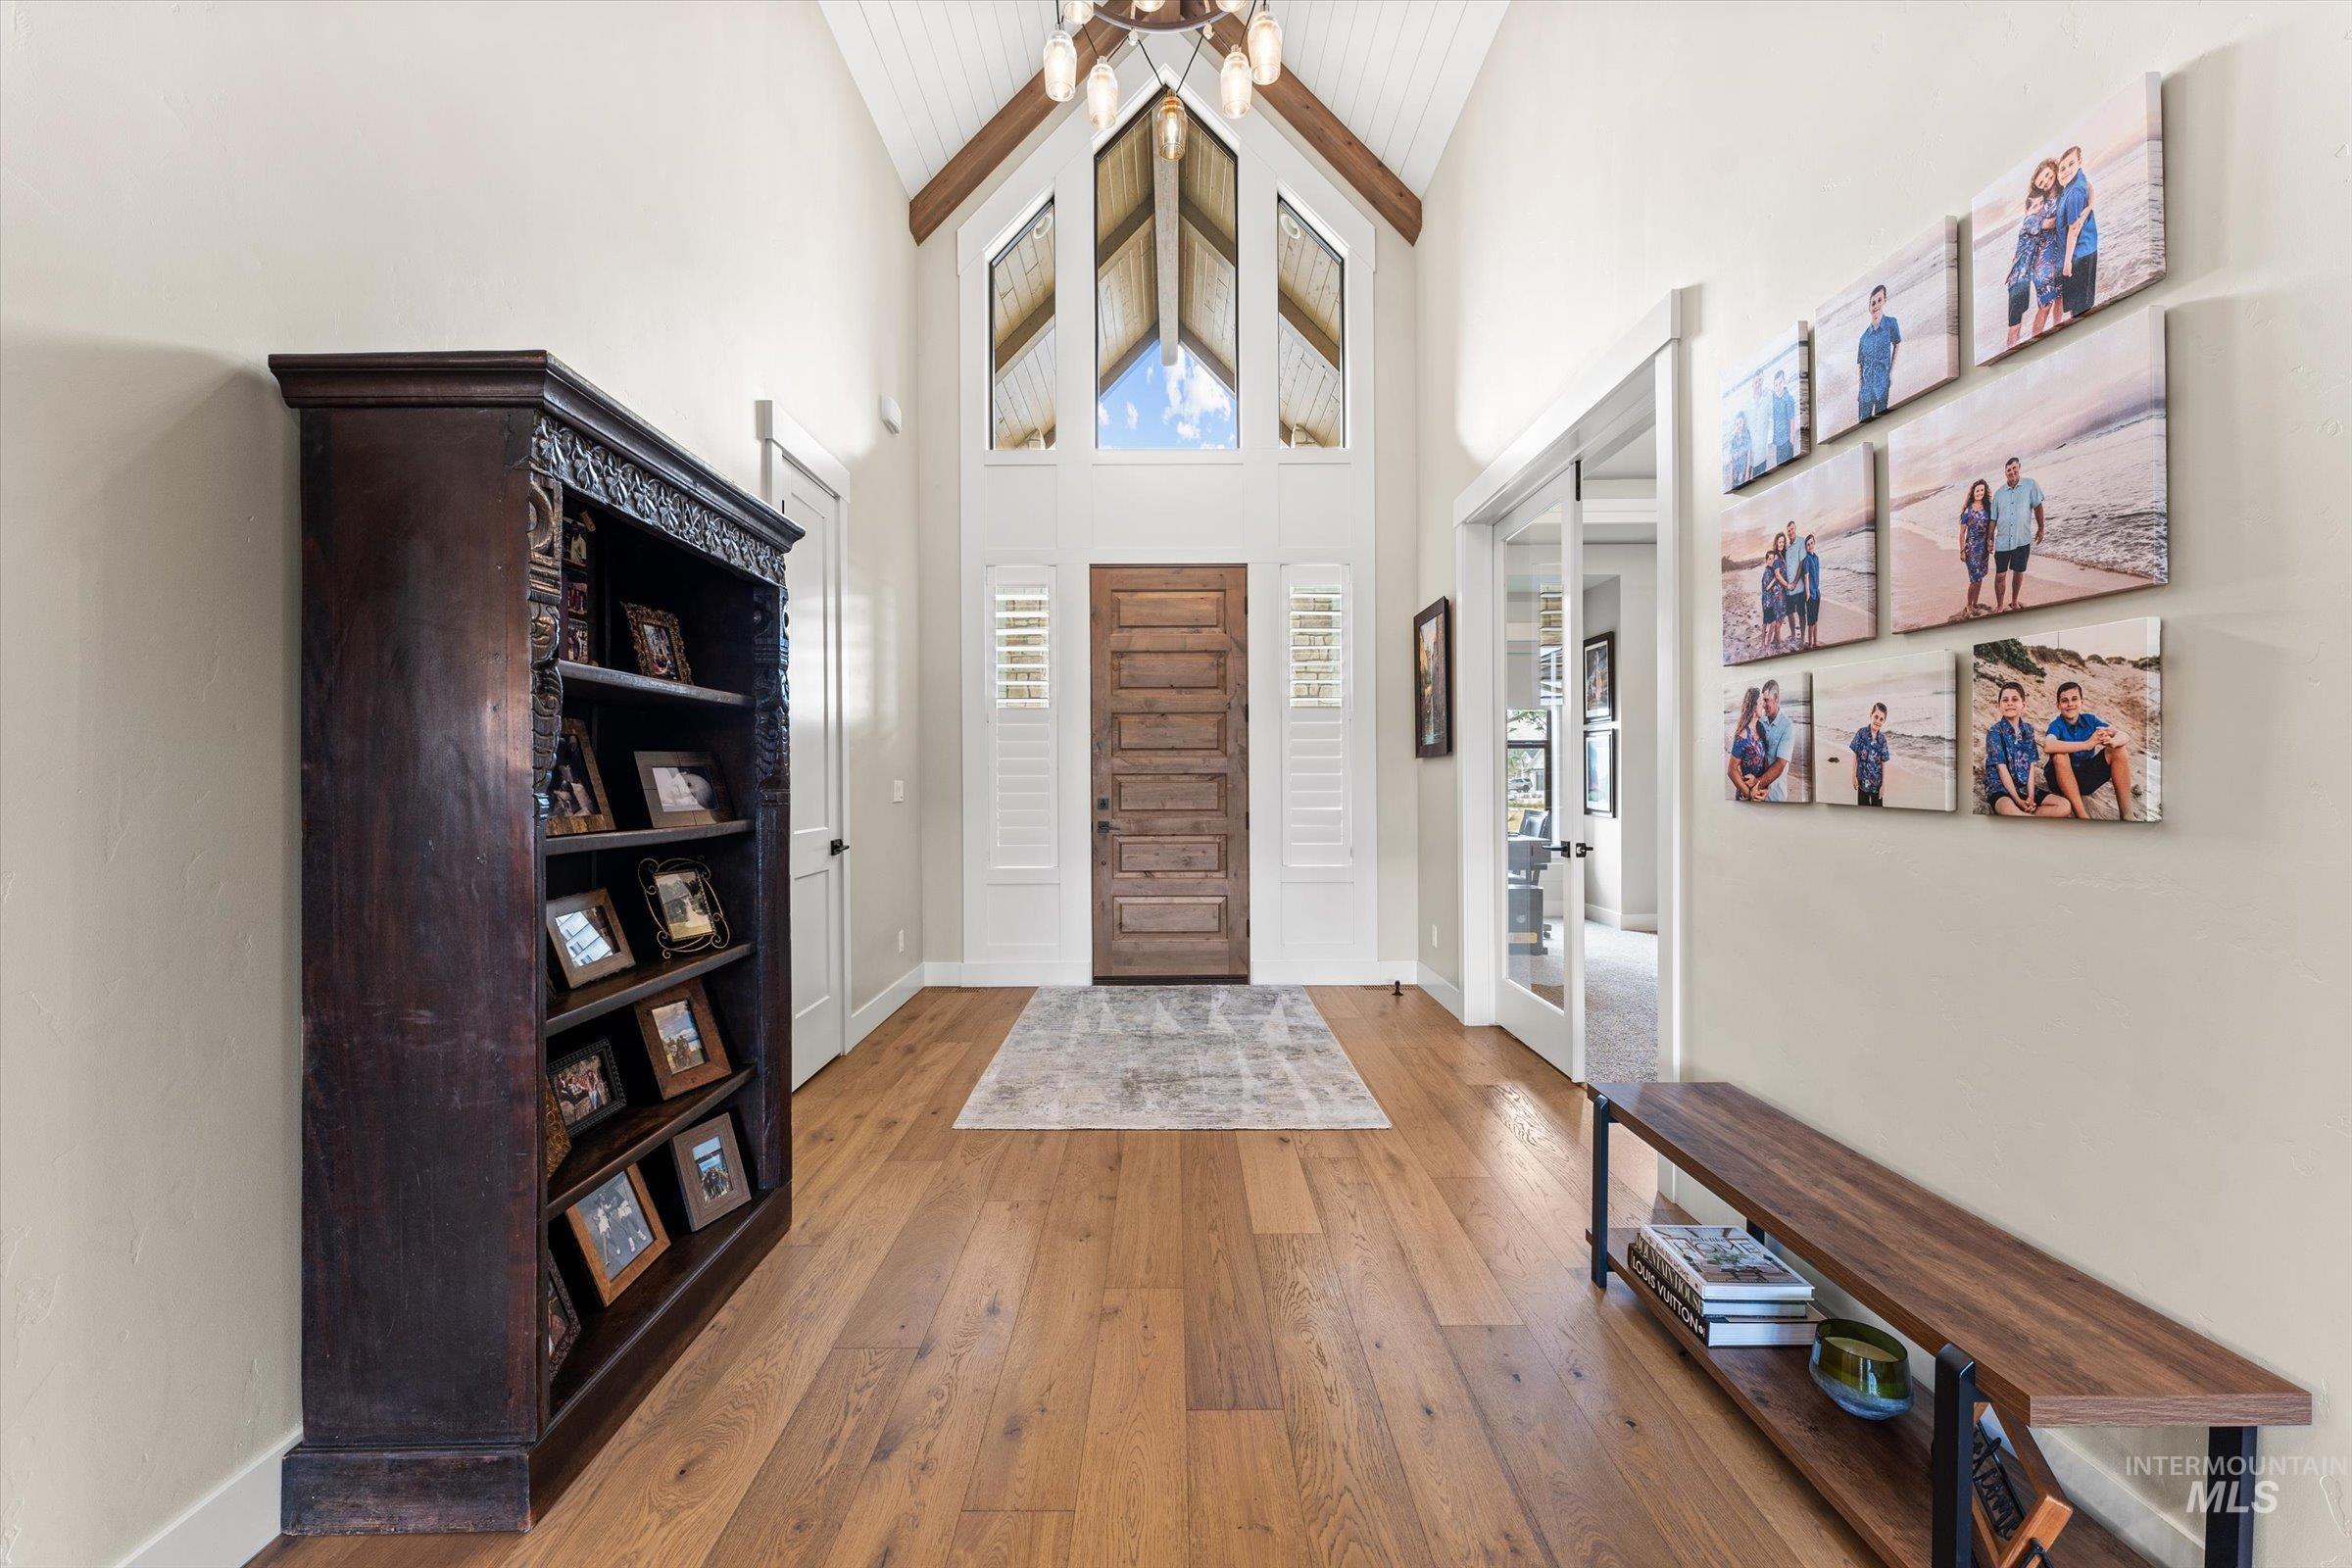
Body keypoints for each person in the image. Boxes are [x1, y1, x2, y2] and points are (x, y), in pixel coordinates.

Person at [2041, 678, 2135, 819]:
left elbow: (2124, 735)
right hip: (2059, 781)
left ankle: (2127, 815)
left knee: (2119, 750)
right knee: (2059, 755)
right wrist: (2087, 744)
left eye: (2074, 699)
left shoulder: (2090, 720)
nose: (2070, 704)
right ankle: (2082, 815)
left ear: (2081, 702)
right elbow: (2048, 745)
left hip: (2085, 779)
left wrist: (2113, 741)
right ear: (2058, 705)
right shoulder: (2057, 725)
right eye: (2065, 700)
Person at [1984, 680, 2072, 816]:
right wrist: (2018, 801)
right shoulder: (1994, 732)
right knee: (2007, 808)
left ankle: (2027, 817)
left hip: (2024, 788)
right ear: (1999, 705)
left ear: (2023, 704)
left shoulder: (2028, 730)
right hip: (2001, 788)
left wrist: (2030, 797)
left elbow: (2031, 766)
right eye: (2005, 700)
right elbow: (2002, 770)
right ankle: (2024, 816)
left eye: (2015, 699)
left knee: (2064, 806)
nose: (2010, 703)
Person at [2004, 159, 2062, 352]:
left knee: (2057, 300)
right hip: (2029, 270)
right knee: (2037, 309)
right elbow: (2051, 224)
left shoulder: (2054, 196)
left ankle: (2055, 334)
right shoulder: (2033, 217)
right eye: (2041, 180)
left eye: (2047, 175)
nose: (2046, 181)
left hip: (2050, 259)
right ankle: (2020, 348)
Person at [1989, 456, 2045, 613]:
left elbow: (2038, 506)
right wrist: (1990, 538)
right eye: (2008, 470)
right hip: (2003, 542)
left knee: (2018, 571)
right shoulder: (1999, 494)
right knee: (2000, 575)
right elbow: (1993, 518)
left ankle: (2014, 602)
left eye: (2014, 468)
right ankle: (2000, 606)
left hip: (2022, 539)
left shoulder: (2030, 484)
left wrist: (2041, 528)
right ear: (2005, 472)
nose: (2012, 472)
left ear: (2019, 467)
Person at [2054, 144, 2099, 322]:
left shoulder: (2073, 192)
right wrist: (2090, 206)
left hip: (2079, 256)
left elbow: (2073, 230)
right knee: (2075, 307)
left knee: (2081, 311)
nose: (2066, 171)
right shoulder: (2075, 180)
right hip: (2079, 254)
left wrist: (2066, 263)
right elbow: (2090, 186)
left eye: (2071, 164)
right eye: (2062, 168)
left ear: (2080, 162)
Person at [1856, 283, 1902, 421]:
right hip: (1866, 391)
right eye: (1873, 303)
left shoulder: (1891, 323)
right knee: (1863, 424)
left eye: (1879, 301)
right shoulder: (1864, 338)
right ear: (1869, 307)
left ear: (1885, 300)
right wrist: (1860, 389)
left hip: (1882, 384)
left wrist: (1891, 372)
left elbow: (1897, 343)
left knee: (1882, 421)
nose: (1876, 306)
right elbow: (1860, 365)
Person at [1955, 477, 1994, 620]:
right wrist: (1961, 551)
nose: (1980, 492)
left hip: (1983, 549)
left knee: (1980, 576)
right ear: (1973, 492)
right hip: (1971, 549)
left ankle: (1975, 603)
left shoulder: (1988, 507)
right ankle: (1969, 604)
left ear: (1985, 491)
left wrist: (1991, 543)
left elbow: (1991, 527)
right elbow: (1962, 533)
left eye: (1982, 490)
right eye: (1977, 490)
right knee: (1974, 578)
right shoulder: (1967, 510)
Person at [1754, 678, 1798, 802]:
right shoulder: (1760, 721)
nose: (1763, 704)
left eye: (1767, 700)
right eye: (1762, 700)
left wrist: (1756, 785)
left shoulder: (1787, 726)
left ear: (1777, 699)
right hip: (1756, 795)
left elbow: (1780, 765)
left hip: (1775, 796)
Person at [1727, 686, 1770, 800]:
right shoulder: (1743, 734)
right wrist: (1749, 795)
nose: (1764, 706)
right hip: (1746, 796)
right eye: (1761, 703)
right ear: (1754, 706)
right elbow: (1731, 770)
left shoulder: (1761, 729)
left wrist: (1765, 789)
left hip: (1760, 793)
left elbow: (1765, 762)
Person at [1849, 701, 1890, 807]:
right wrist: (1853, 776)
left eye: (1881, 719)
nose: (1878, 721)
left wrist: (1884, 785)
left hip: (1877, 785)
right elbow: (1855, 755)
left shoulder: (1882, 740)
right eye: (1876, 717)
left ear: (1884, 721)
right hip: (1862, 782)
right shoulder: (1861, 733)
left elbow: (1884, 762)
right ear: (1870, 716)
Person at [1759, 538, 1788, 655]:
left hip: (1767, 601)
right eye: (1769, 559)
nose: (1771, 561)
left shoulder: (1770, 570)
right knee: (1772, 624)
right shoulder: (1767, 572)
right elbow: (1767, 587)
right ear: (1766, 561)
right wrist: (1776, 578)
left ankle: (1763, 643)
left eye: (1772, 559)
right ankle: (1767, 645)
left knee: (1765, 622)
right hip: (1768, 602)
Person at [1795, 531, 1823, 650]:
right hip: (1810, 595)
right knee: (1811, 622)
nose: (1810, 545)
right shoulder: (1806, 559)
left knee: (1815, 620)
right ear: (1806, 547)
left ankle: (1816, 642)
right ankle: (1811, 644)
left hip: (1817, 593)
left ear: (1814, 543)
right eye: (1808, 544)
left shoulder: (1816, 558)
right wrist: (1807, 594)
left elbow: (1816, 576)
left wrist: (1817, 591)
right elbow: (1806, 577)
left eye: (1812, 543)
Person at [1768, 368, 1798, 468]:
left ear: (1784, 382)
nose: (1778, 387)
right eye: (1776, 385)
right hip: (1778, 440)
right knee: (1779, 467)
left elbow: (1792, 419)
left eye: (1780, 383)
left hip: (1787, 439)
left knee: (1788, 467)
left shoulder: (1788, 399)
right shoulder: (1774, 399)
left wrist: (1792, 437)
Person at [1746, 372, 1774, 479]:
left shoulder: (1767, 399)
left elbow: (1773, 417)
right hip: (1751, 455)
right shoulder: (1748, 405)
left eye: (1760, 381)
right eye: (1756, 382)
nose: (1758, 384)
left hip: (1763, 452)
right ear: (1752, 384)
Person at [1727, 412, 1753, 486]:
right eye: (1737, 423)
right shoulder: (1733, 439)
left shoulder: (1747, 435)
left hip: (1744, 469)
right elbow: (1731, 460)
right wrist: (1730, 476)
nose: (1739, 425)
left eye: (1740, 422)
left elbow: (1749, 454)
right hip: (1735, 470)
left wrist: (1747, 472)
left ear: (1743, 422)